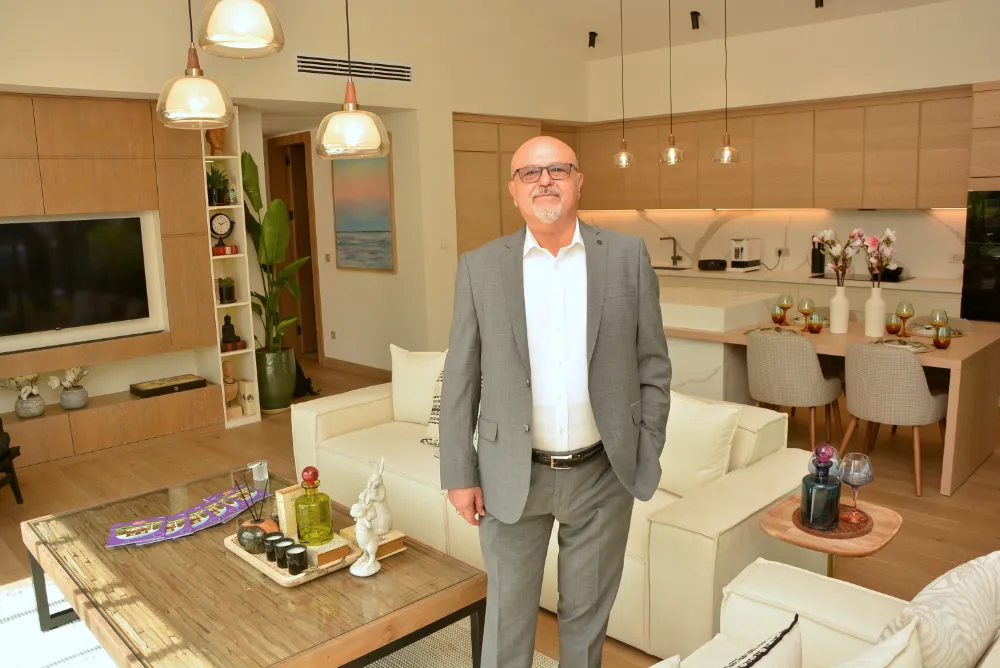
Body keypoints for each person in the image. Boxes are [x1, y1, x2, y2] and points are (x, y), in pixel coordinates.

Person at [440, 136, 672, 668]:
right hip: (509, 474)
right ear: (514, 190)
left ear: (578, 182)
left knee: (586, 627)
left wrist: (646, 447)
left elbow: (653, 365)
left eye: (558, 169)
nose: (544, 180)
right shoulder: (480, 267)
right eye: (530, 172)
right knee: (507, 623)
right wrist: (458, 472)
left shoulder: (626, 257)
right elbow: (460, 376)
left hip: (603, 476)